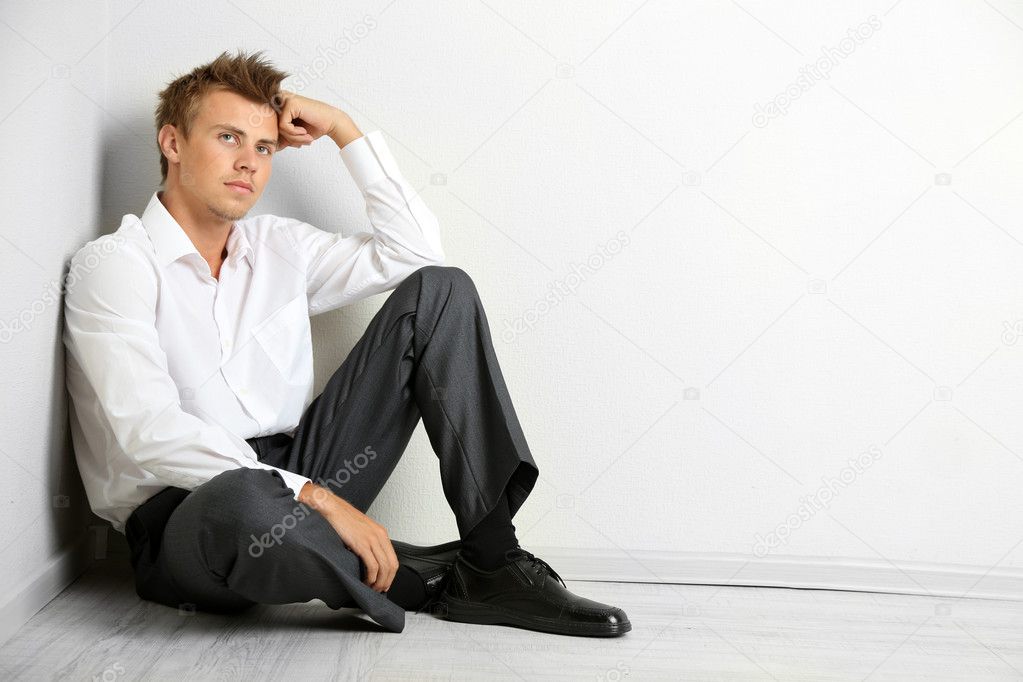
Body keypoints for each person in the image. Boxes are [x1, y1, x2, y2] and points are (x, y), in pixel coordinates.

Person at [62, 49, 631, 638]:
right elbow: (147, 433)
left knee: (440, 292)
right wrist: (320, 501)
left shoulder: (277, 246)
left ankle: (491, 560)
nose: (249, 163)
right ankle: (418, 585)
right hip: (190, 512)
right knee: (246, 505)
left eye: (262, 148)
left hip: (299, 464)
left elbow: (415, 253)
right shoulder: (115, 264)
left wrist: (343, 129)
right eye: (228, 137)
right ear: (173, 143)